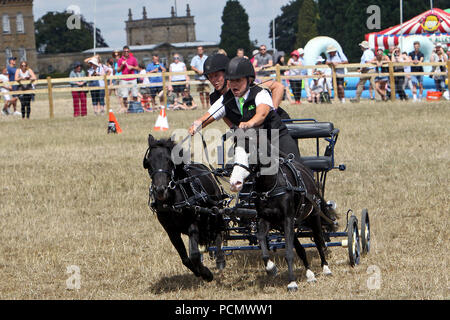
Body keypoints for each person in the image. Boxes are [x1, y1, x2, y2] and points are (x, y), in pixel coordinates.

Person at [190, 57, 301, 160]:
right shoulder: (219, 99)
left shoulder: (255, 86)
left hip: (275, 126)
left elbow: (279, 87)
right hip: (252, 133)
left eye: (217, 75)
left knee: (292, 163)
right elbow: (223, 118)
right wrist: (197, 125)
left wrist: (272, 110)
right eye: (210, 77)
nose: (214, 80)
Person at [117, 45, 139, 113]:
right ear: (123, 52)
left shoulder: (133, 59)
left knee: (135, 94)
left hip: (133, 78)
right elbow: (118, 70)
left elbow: (138, 68)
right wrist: (122, 65)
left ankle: (135, 108)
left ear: (129, 51)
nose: (126, 52)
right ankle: (126, 109)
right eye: (125, 51)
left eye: (127, 51)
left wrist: (132, 67)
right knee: (124, 95)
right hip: (124, 79)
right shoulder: (120, 60)